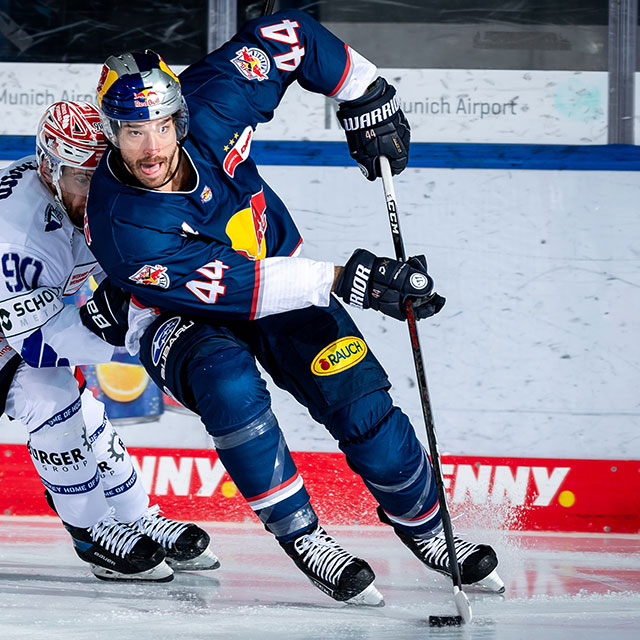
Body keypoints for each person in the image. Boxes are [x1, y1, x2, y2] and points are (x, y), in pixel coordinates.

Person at [83, 10, 502, 605]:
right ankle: (305, 538)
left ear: (182, 114)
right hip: (175, 313)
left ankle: (432, 531)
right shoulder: (125, 222)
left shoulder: (215, 99)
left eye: (160, 126)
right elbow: (243, 289)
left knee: (361, 402)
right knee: (229, 386)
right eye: (131, 132)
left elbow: (291, 34)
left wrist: (364, 92)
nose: (151, 149)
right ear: (111, 133)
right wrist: (350, 280)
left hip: (284, 273)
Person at [0, 100, 219, 582]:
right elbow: (39, 344)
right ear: (49, 170)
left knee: (78, 405)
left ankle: (139, 518)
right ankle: (94, 533)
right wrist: (150, 347)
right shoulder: (17, 229)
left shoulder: (97, 194)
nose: (98, 193)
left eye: (108, 174)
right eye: (82, 179)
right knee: (47, 393)